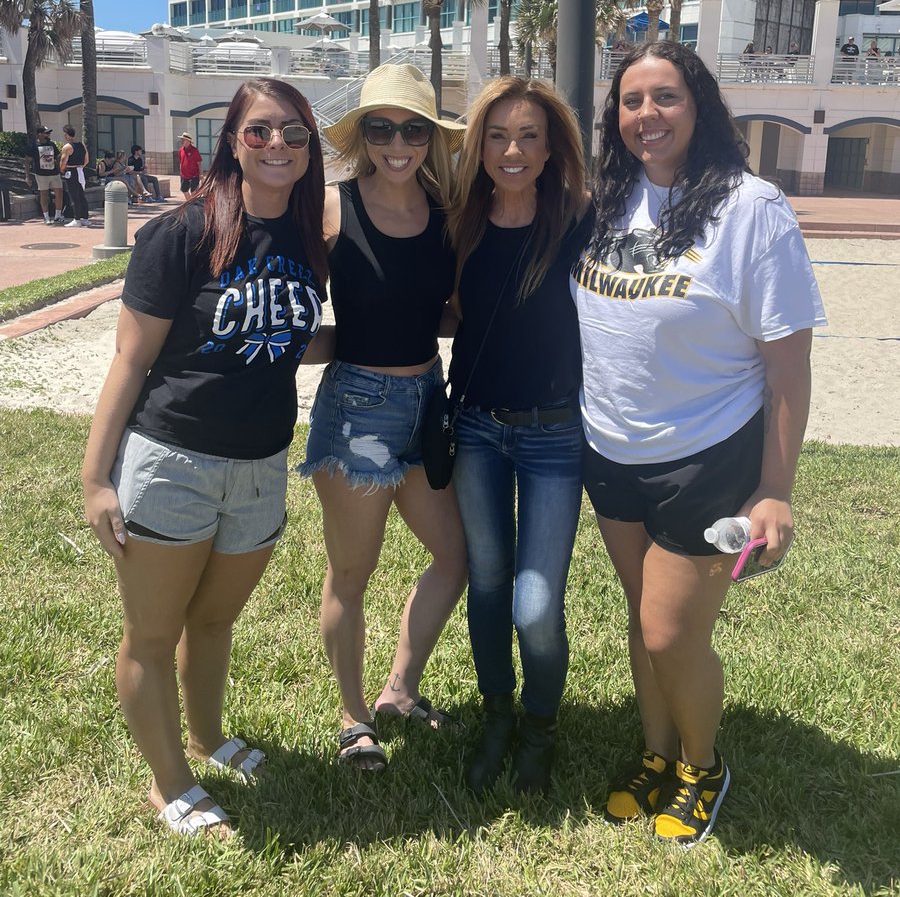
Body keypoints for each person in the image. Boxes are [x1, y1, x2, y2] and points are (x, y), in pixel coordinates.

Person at [572, 42, 825, 847]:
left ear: (700, 105)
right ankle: (655, 752)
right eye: (632, 101)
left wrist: (775, 487)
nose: (648, 115)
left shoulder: (751, 207)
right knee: (641, 614)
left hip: (709, 457)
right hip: (609, 453)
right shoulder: (606, 200)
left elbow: (788, 366)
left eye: (666, 97)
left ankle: (702, 764)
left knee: (669, 633)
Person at [81, 78, 328, 837]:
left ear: (310, 141)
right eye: (259, 132)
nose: (277, 144)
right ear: (231, 141)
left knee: (214, 621)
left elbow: (285, 336)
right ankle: (170, 785)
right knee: (153, 636)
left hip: (261, 466)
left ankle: (206, 737)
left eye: (292, 130)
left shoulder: (308, 234)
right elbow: (131, 360)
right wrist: (95, 478)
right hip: (173, 459)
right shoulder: (183, 233)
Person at [298, 63, 468, 770]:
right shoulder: (334, 207)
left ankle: (399, 689)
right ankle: (351, 717)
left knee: (457, 558)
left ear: (431, 137)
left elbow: (449, 314)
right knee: (352, 573)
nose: (398, 143)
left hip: (428, 401)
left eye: (413, 129)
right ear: (364, 135)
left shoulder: (448, 213)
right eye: (382, 128)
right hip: (357, 411)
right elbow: (298, 314)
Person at [447, 77, 591, 795]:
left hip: (555, 436)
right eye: (498, 135)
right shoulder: (461, 219)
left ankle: (541, 725)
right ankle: (496, 716)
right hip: (474, 428)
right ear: (479, 145)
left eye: (529, 135)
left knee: (536, 605)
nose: (512, 150)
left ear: (551, 146)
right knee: (488, 584)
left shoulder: (578, 218)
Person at [23, 125, 65, 224]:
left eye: (49, 133)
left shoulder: (52, 144)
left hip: (54, 173)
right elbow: (27, 161)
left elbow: (58, 156)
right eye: (46, 133)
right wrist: (27, 176)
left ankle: (58, 215)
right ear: (39, 134)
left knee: (59, 193)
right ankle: (46, 217)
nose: (48, 134)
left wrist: (57, 162)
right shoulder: (33, 146)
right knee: (44, 194)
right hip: (41, 174)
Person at [59, 124, 90, 226]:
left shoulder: (67, 147)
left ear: (67, 135)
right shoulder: (82, 145)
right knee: (81, 195)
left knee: (74, 195)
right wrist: (80, 167)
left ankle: (77, 219)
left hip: (71, 171)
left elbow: (63, 162)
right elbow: (87, 160)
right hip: (80, 170)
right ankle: (85, 218)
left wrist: (63, 170)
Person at [179, 132, 203, 197]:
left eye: (183, 140)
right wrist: (180, 172)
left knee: (193, 192)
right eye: (182, 139)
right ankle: (190, 204)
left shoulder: (194, 151)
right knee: (184, 190)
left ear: (188, 141)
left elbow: (199, 163)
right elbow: (181, 161)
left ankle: (193, 204)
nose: (182, 141)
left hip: (194, 175)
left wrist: (201, 174)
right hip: (184, 175)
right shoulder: (181, 150)